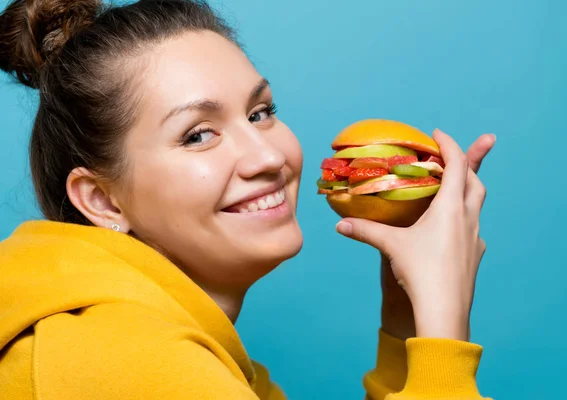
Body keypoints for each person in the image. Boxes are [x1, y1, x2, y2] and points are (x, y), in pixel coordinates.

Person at [0, 1, 496, 399]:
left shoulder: (165, 345)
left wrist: (408, 319)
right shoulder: (132, 361)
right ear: (103, 202)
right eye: (198, 135)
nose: (266, 156)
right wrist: (444, 333)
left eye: (260, 113)